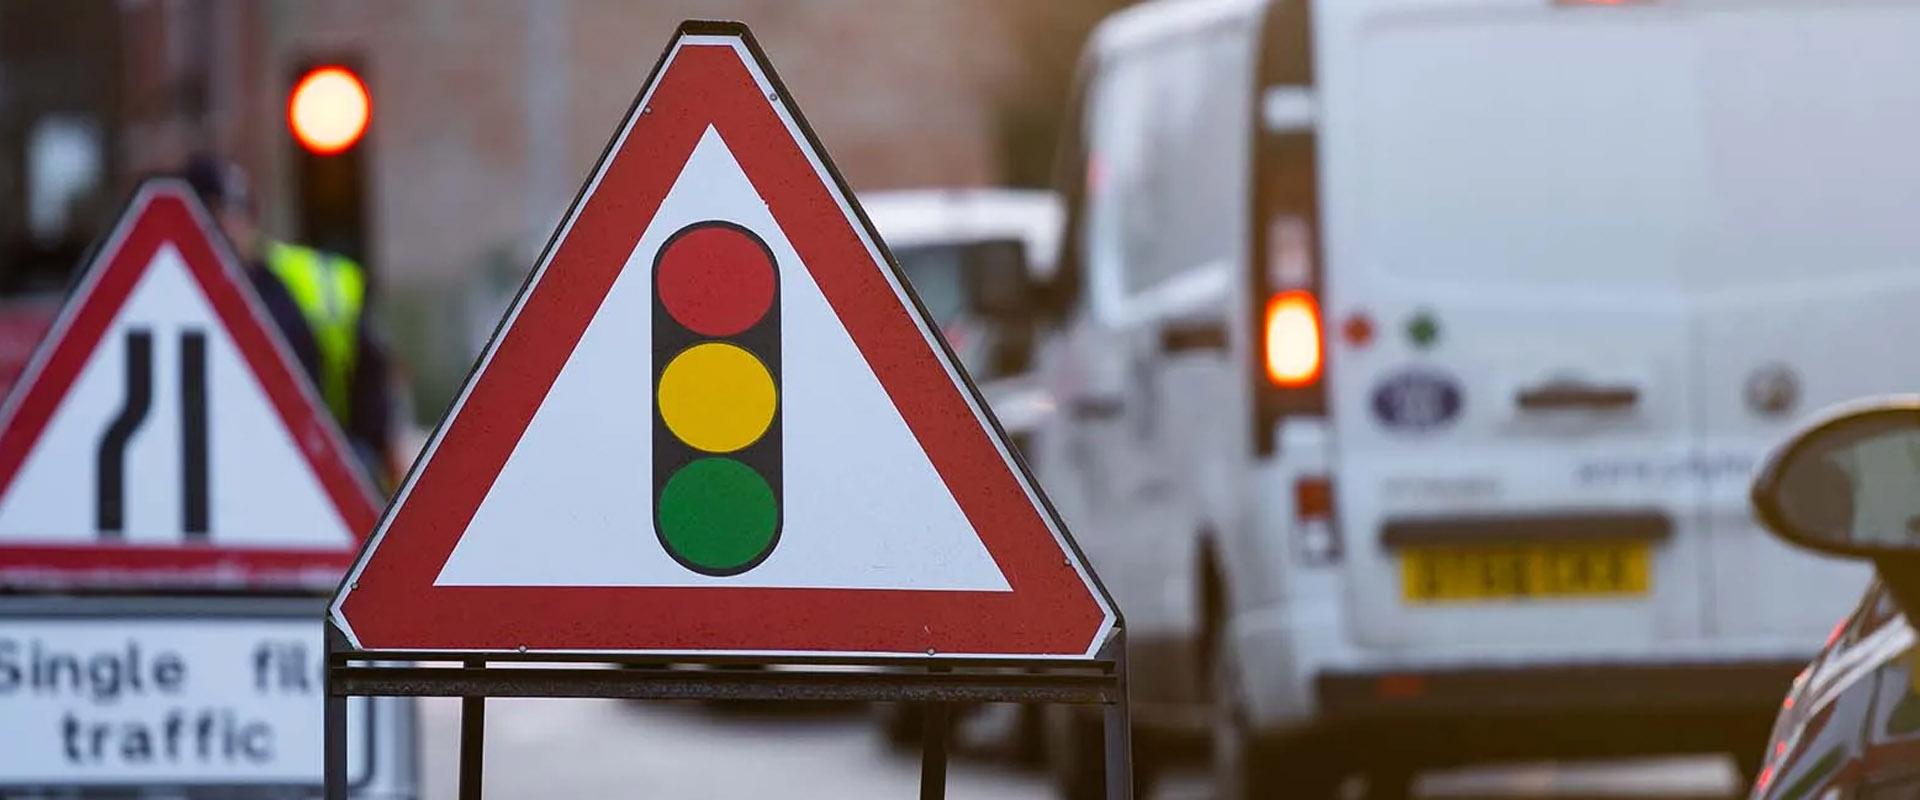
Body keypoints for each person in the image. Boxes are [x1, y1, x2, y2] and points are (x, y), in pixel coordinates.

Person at [180, 152, 397, 491]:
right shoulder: (169, 299)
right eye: (209, 215)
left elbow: (374, 403)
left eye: (232, 212)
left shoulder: (316, 284)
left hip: (318, 479)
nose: (225, 227)